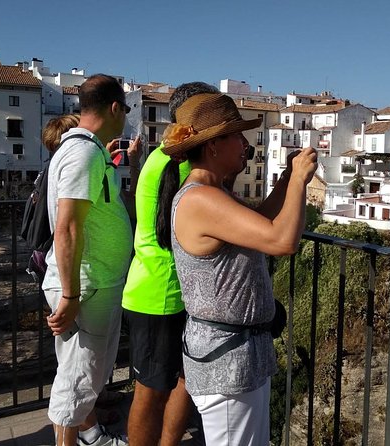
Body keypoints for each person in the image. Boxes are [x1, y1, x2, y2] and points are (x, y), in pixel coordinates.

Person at [156, 93, 317, 445]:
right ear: (214, 145)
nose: (245, 144)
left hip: (237, 356)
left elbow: (259, 223)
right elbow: (283, 241)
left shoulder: (213, 193)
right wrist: (301, 182)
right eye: (238, 135)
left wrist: (286, 179)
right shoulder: (200, 198)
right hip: (226, 363)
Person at [122, 81, 219, 446]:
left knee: (183, 380)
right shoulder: (179, 165)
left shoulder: (162, 157)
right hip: (159, 297)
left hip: (166, 293)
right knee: (150, 393)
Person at [42, 74, 133, 446]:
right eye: (125, 109)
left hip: (91, 283)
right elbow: (67, 228)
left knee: (80, 377)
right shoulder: (82, 153)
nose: (125, 116)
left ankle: (86, 438)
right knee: (76, 383)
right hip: (88, 285)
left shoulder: (87, 151)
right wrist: (71, 294)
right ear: (114, 108)